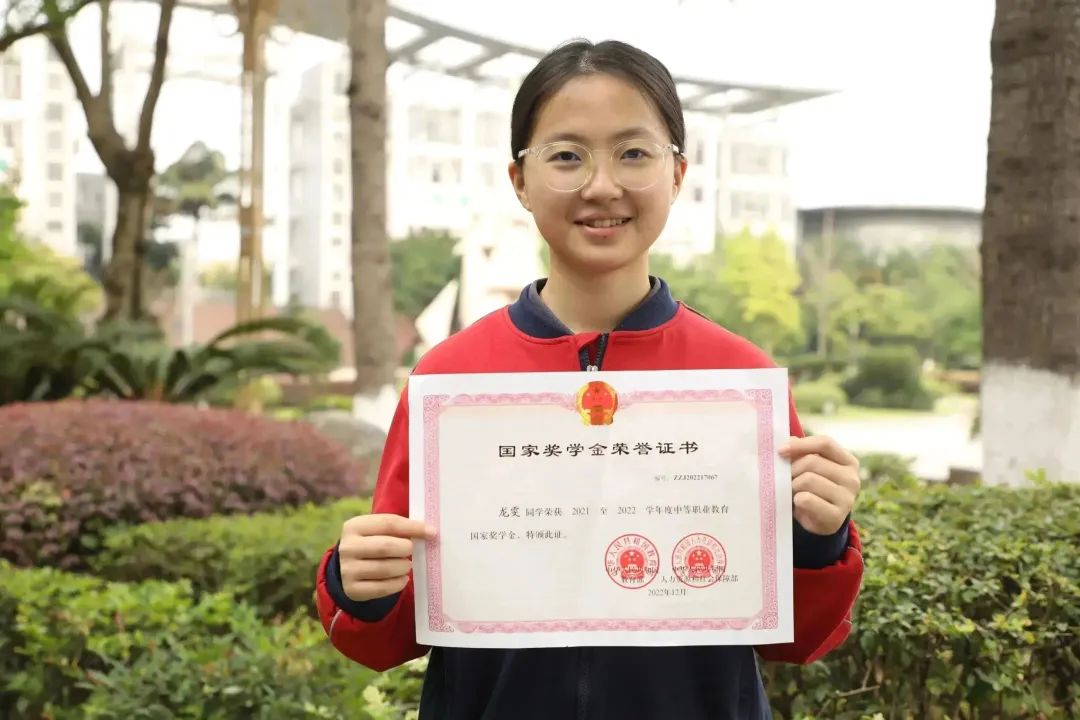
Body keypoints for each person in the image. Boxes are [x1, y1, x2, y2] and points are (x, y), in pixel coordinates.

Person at [315, 38, 864, 720]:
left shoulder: (739, 381)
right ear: (519, 180)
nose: (602, 185)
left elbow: (798, 637)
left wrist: (819, 535)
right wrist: (360, 582)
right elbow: (387, 634)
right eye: (567, 156)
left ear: (677, 173)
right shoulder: (450, 382)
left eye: (633, 153)